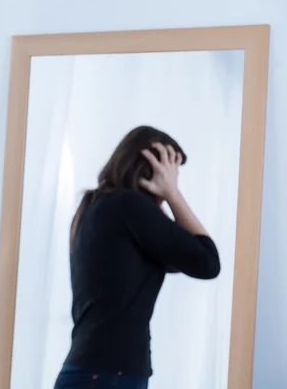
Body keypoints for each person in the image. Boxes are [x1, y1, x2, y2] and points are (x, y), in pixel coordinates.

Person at [53, 126, 220, 389]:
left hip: (93, 371)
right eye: (173, 174)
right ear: (155, 170)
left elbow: (186, 256)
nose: (173, 183)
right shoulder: (128, 206)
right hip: (108, 376)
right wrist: (173, 195)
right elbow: (208, 262)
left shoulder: (97, 208)